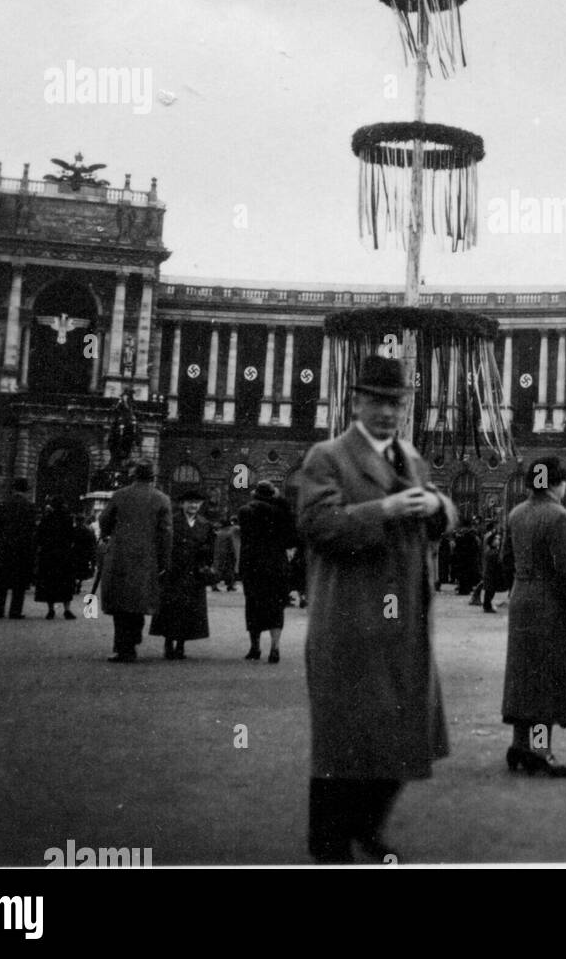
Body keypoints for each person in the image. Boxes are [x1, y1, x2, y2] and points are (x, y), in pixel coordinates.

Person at [296, 355, 458, 865]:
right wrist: (380, 511)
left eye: (397, 402)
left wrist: (440, 510)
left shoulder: (411, 456)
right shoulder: (327, 456)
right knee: (343, 746)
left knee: (402, 735)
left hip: (402, 623)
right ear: (356, 401)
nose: (389, 412)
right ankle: (330, 846)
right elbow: (316, 524)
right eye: (378, 401)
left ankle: (367, 826)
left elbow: (440, 507)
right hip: (350, 619)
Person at [502, 456, 566, 777]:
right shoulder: (559, 517)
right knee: (546, 680)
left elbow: (505, 561)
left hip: (521, 599)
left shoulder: (516, 514)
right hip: (551, 605)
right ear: (557, 483)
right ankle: (541, 751)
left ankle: (519, 745)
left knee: (524, 675)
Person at [99, 462, 173, 663]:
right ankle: (132, 641)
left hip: (120, 555)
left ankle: (124, 646)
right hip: (147, 558)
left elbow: (104, 520)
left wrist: (109, 535)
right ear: (153, 477)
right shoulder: (162, 499)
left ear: (133, 475)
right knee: (138, 601)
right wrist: (164, 562)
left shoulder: (119, 495)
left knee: (121, 602)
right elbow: (166, 534)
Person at [152, 493, 215, 660]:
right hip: (174, 572)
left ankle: (180, 645)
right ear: (182, 504)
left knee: (188, 611)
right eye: (189, 502)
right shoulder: (172, 521)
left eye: (197, 502)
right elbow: (161, 543)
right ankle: (168, 643)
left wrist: (205, 563)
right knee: (171, 609)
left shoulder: (205, 524)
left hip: (194, 573)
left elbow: (210, 548)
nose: (193, 505)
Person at [238, 481, 296, 662]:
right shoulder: (281, 513)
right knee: (276, 607)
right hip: (276, 565)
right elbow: (291, 538)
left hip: (252, 565)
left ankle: (255, 648)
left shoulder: (245, 511)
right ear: (273, 494)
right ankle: (275, 649)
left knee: (253, 606)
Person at [0, 476, 38, 619]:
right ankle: (15, 611)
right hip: (22, 549)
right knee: (19, 582)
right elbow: (32, 530)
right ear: (26, 490)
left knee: (2, 581)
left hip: (5, 547)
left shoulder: (3, 504)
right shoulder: (29, 506)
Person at [34, 496, 79, 620]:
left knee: (50, 582)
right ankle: (67, 609)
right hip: (64, 555)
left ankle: (51, 610)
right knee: (65, 582)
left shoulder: (46, 519)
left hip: (49, 555)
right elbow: (72, 537)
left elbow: (39, 536)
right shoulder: (68, 519)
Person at [481, 528, 505, 613]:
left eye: (499, 539)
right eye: (496, 539)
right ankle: (487, 606)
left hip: (491, 575)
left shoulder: (492, 551)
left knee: (490, 591)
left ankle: (487, 605)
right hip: (491, 575)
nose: (497, 541)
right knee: (490, 591)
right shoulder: (493, 552)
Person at [212, 518, 240, 592]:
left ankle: (214, 585)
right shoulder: (228, 534)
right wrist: (234, 555)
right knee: (230, 570)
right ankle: (230, 586)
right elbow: (231, 546)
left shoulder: (218, 533)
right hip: (227, 555)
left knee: (218, 570)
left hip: (218, 554)